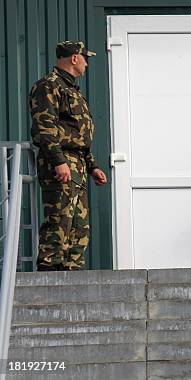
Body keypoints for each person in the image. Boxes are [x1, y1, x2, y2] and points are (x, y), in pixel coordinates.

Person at [29, 41, 107, 271]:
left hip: (78, 163)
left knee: (78, 224)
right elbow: (45, 127)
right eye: (85, 58)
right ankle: (49, 270)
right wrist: (59, 161)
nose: (87, 63)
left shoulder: (72, 90)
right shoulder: (48, 86)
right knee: (59, 217)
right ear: (74, 58)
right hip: (60, 161)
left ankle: (73, 271)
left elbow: (79, 132)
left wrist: (92, 166)